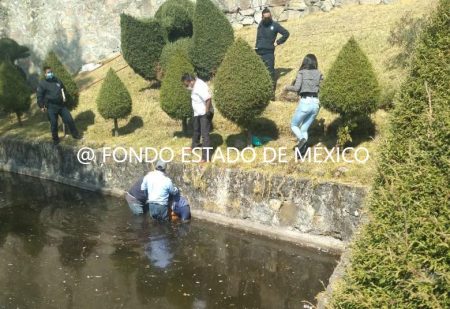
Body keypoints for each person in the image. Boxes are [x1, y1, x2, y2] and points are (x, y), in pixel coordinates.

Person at [285, 54, 323, 155]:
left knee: (294, 125)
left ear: (304, 62)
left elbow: (297, 88)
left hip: (305, 102)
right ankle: (302, 153)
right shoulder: (319, 73)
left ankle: (302, 140)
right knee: (304, 129)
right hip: (316, 103)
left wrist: (286, 87)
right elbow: (323, 88)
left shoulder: (301, 72)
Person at [37, 66, 81, 146]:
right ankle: (55, 139)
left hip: (61, 105)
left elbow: (63, 89)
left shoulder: (57, 80)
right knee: (54, 123)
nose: (50, 73)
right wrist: (41, 106)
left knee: (69, 119)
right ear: (45, 74)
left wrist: (65, 97)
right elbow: (39, 96)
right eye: (48, 72)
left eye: (51, 72)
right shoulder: (42, 84)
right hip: (51, 106)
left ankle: (75, 135)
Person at [181, 73, 214, 162]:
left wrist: (206, 112)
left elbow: (208, 98)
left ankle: (206, 158)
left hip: (204, 113)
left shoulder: (199, 86)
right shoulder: (195, 84)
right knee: (196, 130)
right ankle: (194, 146)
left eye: (186, 84)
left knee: (205, 135)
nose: (186, 86)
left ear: (191, 81)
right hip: (198, 113)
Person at [255, 7, 290, 90]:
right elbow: (258, 37)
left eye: (268, 17)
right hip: (258, 52)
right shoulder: (260, 24)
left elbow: (286, 33)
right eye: (265, 17)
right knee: (259, 72)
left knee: (270, 73)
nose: (266, 19)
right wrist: (256, 46)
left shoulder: (275, 25)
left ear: (270, 16)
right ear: (262, 17)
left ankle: (271, 93)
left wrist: (277, 42)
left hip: (268, 53)